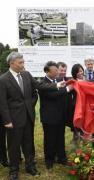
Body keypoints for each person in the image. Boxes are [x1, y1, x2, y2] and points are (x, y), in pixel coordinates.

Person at [0, 52, 66, 180]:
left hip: (28, 116)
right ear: (12, 63)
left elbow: (39, 85)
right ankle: (14, 170)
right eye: (20, 62)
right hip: (13, 119)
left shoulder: (26, 74)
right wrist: (7, 120)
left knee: (28, 143)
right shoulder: (3, 79)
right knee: (14, 145)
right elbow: (2, 103)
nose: (23, 64)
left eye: (23, 62)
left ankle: (30, 167)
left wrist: (56, 85)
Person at [39, 61, 73, 169]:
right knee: (49, 139)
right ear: (47, 71)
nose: (57, 72)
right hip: (49, 117)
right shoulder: (42, 83)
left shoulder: (59, 80)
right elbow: (53, 95)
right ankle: (49, 160)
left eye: (57, 70)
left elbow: (63, 96)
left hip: (60, 115)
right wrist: (67, 89)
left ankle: (62, 158)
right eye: (55, 70)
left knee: (60, 138)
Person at [68, 64, 85, 144]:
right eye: (78, 72)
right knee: (76, 127)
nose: (80, 73)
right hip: (75, 107)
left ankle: (84, 144)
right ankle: (75, 146)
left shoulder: (87, 81)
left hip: (85, 107)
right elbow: (67, 92)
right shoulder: (73, 82)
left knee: (84, 127)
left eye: (81, 71)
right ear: (74, 73)